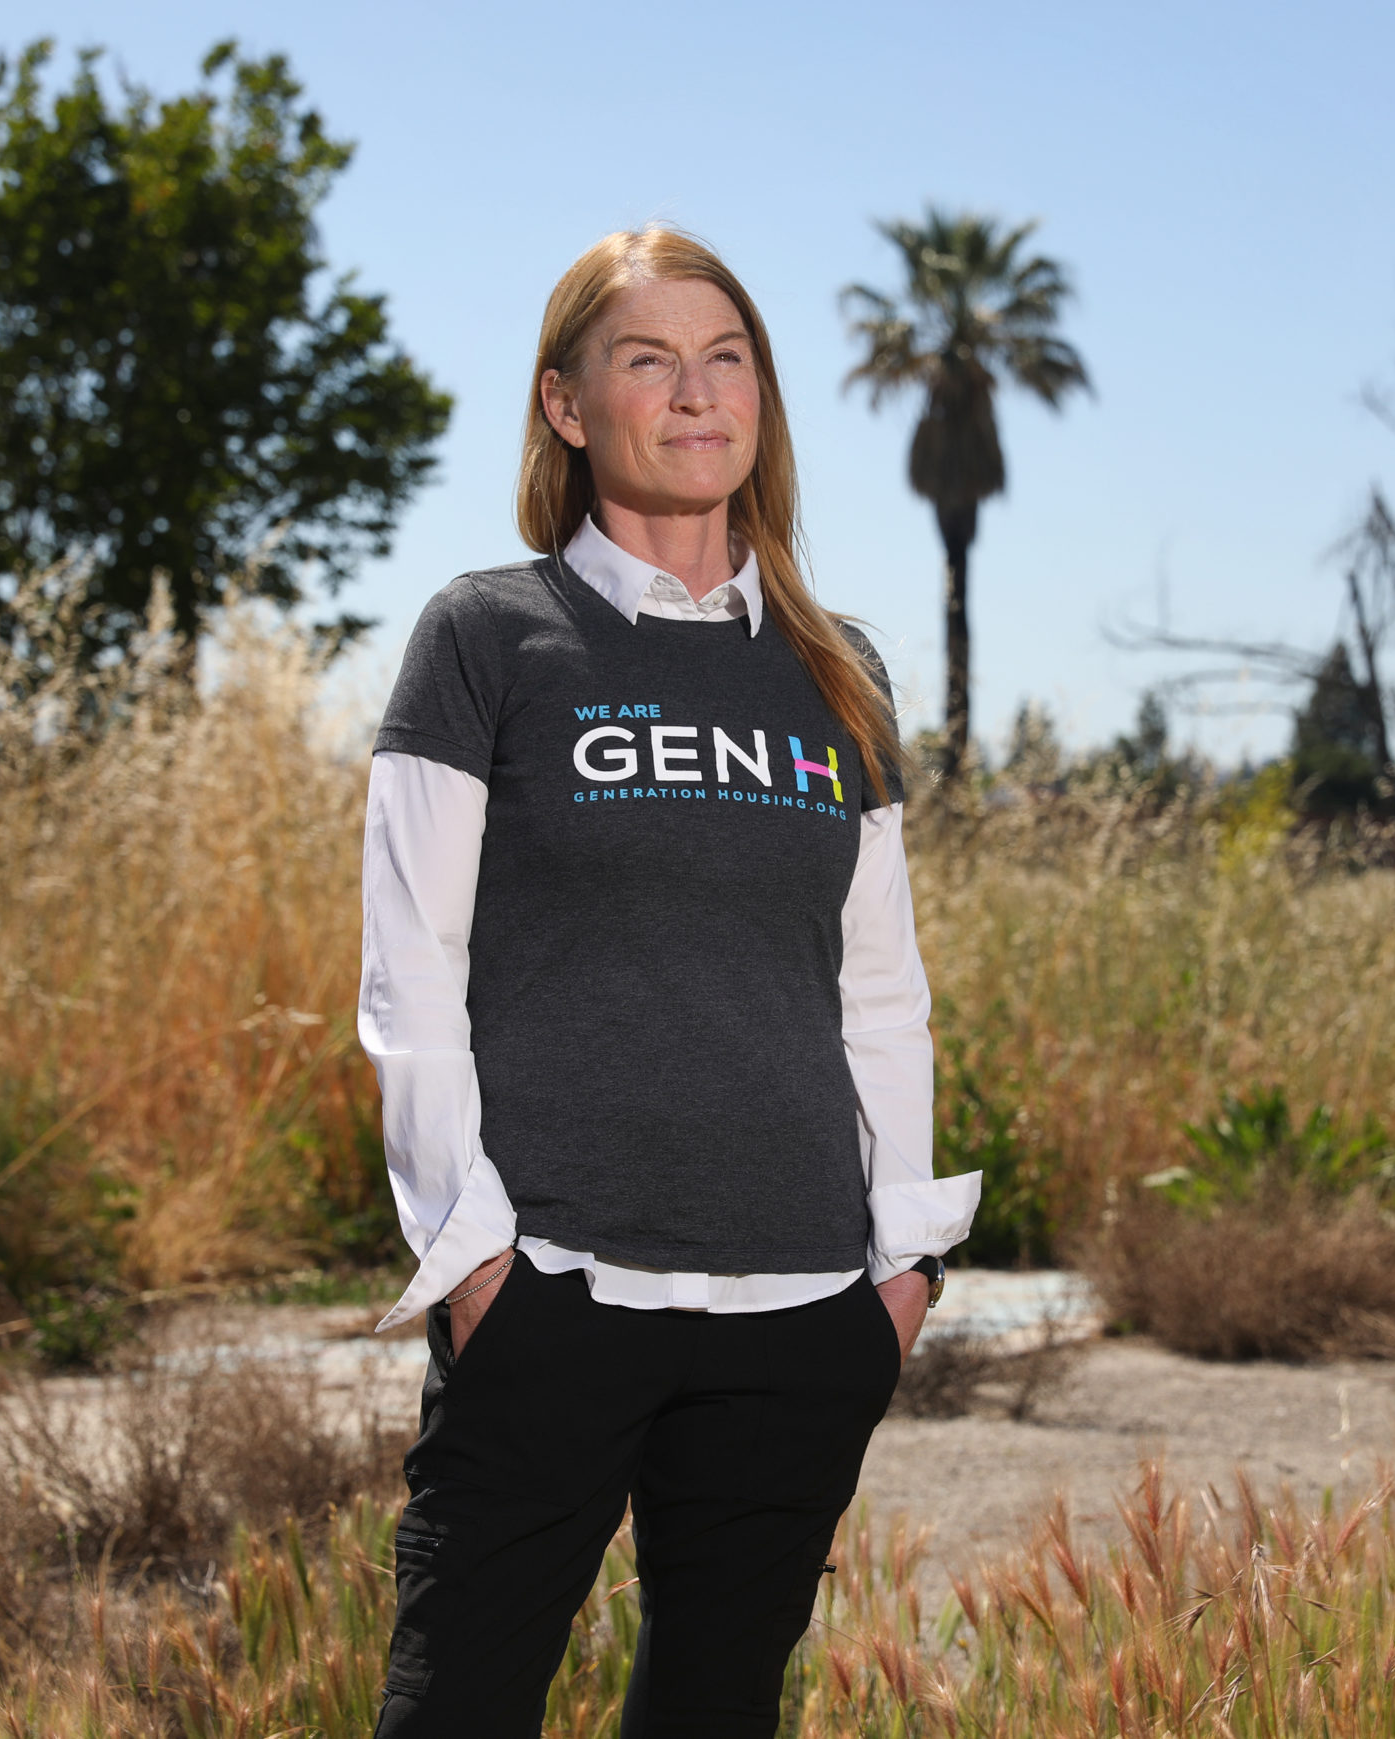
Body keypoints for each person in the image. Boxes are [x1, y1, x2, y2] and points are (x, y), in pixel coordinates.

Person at [356, 226, 980, 1737]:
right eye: (648, 360)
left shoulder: (841, 670)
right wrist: (476, 1255)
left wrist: (901, 1269)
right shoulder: (488, 637)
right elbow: (409, 973)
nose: (697, 396)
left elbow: (878, 991)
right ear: (569, 407)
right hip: (554, 1290)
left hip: (805, 1301)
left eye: (727, 359)